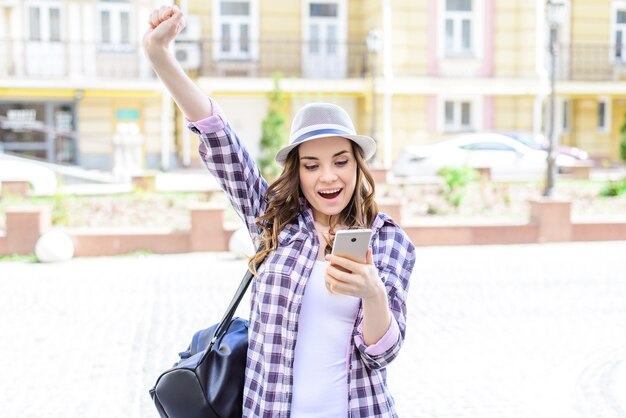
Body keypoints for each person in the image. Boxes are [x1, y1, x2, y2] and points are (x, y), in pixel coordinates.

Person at [144, 5, 416, 417]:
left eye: (341, 161)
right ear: (298, 171)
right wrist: (159, 53)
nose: (328, 177)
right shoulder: (275, 222)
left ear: (358, 166)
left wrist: (372, 291)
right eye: (312, 165)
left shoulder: (387, 238)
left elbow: (383, 353)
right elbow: (219, 140)